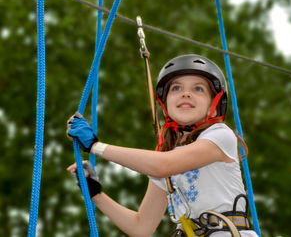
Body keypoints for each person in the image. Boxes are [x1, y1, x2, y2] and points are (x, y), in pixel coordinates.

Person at [67, 54, 257, 237]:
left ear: (213, 106)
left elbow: (162, 165)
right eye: (176, 88)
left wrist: (95, 146)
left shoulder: (220, 136)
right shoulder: (166, 162)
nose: (186, 94)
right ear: (165, 104)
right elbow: (141, 227)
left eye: (198, 89)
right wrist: (96, 194)